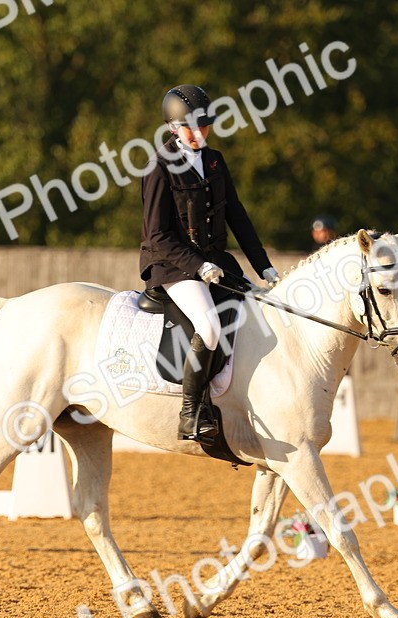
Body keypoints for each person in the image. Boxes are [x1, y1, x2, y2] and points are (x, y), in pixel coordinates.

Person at [139, 84, 280, 440]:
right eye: (190, 127)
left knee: (257, 309)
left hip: (216, 262)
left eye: (204, 125)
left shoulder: (215, 160)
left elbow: (237, 216)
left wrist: (263, 266)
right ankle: (190, 413)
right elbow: (157, 234)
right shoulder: (158, 166)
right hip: (172, 266)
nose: (199, 132)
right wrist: (197, 266)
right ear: (172, 127)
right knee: (210, 326)